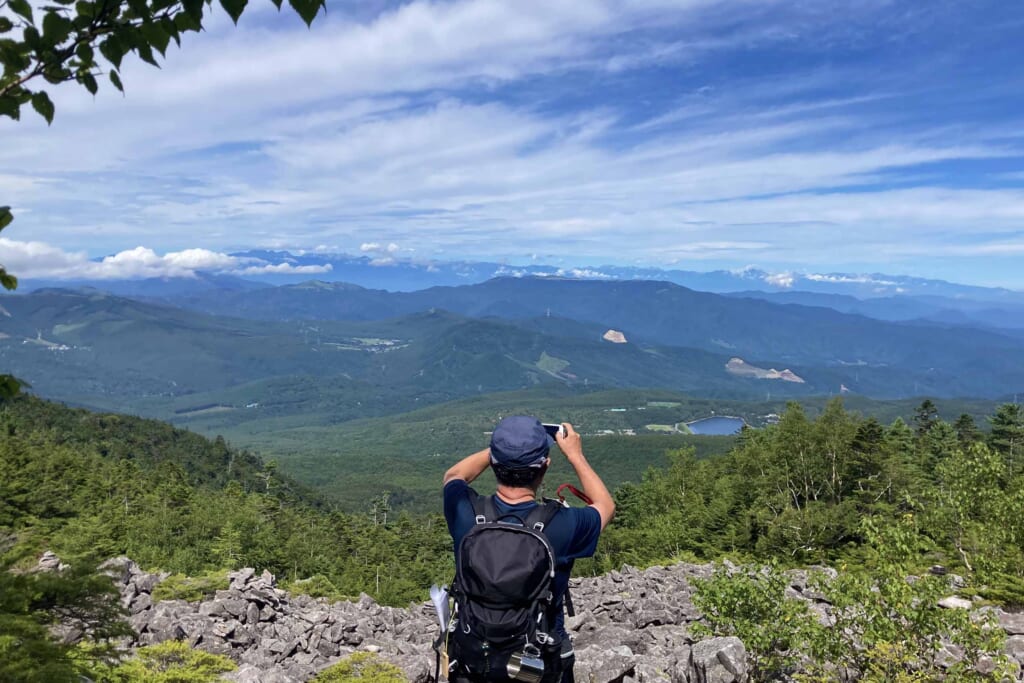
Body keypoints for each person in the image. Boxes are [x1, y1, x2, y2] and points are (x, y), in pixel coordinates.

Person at [442, 416, 616, 683]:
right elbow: (605, 506)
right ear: (544, 468)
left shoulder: (465, 514)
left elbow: (454, 475)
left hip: (474, 660)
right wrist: (575, 456)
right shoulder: (562, 525)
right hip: (537, 661)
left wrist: (502, 450)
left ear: (494, 465)